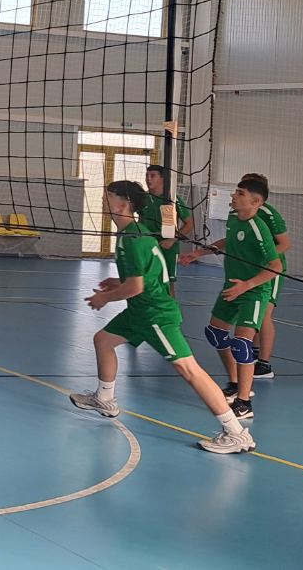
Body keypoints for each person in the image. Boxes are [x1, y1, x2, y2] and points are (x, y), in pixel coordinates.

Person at [68, 180, 254, 454]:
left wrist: (105, 297)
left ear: (123, 205)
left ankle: (236, 433)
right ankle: (105, 398)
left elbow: (136, 287)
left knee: (190, 370)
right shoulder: (136, 232)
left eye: (109, 197)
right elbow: (145, 275)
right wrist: (117, 281)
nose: (104, 202)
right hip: (139, 312)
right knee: (103, 340)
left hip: (155, 315)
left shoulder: (133, 239)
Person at [179, 176, 282, 423]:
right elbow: (229, 240)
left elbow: (276, 266)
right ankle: (235, 384)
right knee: (215, 333)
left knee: (242, 344)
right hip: (232, 286)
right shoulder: (235, 218)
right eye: (235, 192)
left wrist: (247, 285)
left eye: (240, 193)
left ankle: (244, 403)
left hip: (253, 292)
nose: (234, 196)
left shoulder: (259, 228)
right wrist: (199, 252)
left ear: (255, 202)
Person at [240, 173, 290, 380]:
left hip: (271, 269)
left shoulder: (269, 214)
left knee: (265, 316)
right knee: (255, 313)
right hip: (252, 269)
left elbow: (285, 244)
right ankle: (254, 353)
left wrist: (265, 259)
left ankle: (264, 364)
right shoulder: (240, 214)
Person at [140, 165, 193, 296]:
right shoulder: (143, 199)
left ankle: (171, 308)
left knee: (168, 284)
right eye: (147, 175)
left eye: (152, 176)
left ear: (162, 179)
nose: (148, 179)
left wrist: (172, 240)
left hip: (167, 248)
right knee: (144, 282)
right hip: (148, 247)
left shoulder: (172, 200)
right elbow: (140, 222)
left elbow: (189, 224)